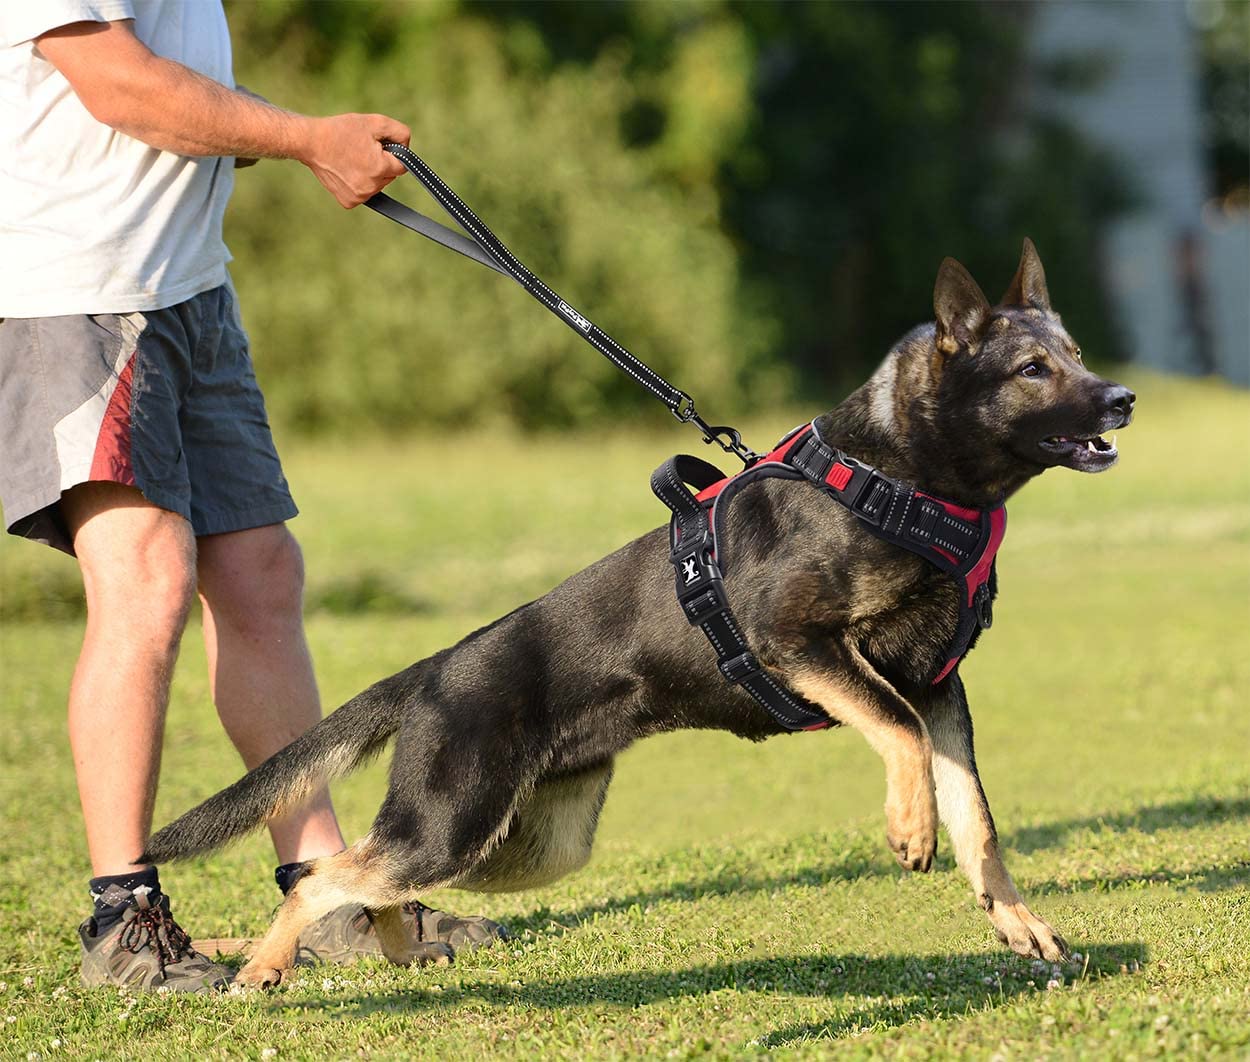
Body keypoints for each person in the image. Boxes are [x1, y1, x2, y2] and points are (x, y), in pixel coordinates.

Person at [0, 1, 505, 993]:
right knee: (144, 576)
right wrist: (308, 136)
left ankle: (323, 887)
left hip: (185, 290)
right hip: (79, 294)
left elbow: (176, 90)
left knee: (259, 572)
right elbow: (121, 85)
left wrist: (290, 142)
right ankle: (122, 917)